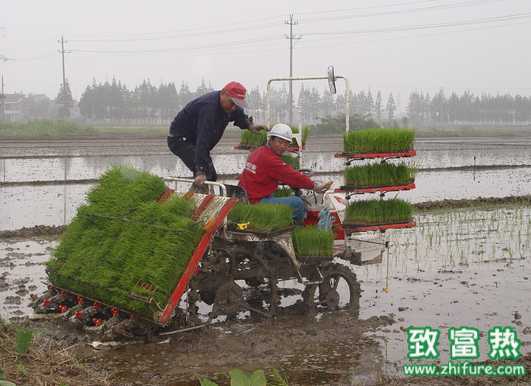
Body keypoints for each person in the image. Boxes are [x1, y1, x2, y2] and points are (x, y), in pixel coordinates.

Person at [167, 81, 265, 186]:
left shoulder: (230, 106)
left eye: (236, 104)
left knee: (210, 176)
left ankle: (197, 198)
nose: (233, 107)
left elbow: (239, 115)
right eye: (232, 103)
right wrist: (200, 170)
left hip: (195, 140)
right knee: (206, 174)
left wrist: (249, 125)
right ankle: (197, 198)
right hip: (180, 140)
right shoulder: (209, 108)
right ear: (223, 94)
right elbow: (203, 138)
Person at [239, 123, 333, 223]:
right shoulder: (270, 159)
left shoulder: (259, 151)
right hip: (256, 202)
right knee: (297, 203)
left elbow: (279, 173)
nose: (283, 146)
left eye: (286, 143)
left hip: (246, 198)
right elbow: (292, 176)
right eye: (279, 142)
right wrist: (315, 186)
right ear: (270, 140)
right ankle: (296, 232)